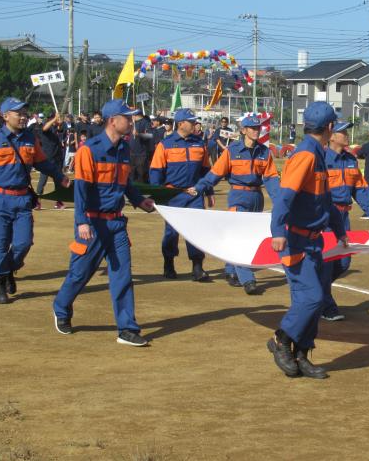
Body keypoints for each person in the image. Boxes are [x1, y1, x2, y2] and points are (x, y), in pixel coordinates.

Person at [53, 99, 155, 346]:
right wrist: (82, 222)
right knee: (80, 274)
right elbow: (81, 189)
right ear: (113, 121)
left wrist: (139, 200)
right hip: (93, 223)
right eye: (127, 118)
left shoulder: (123, 148)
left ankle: (127, 329)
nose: (131, 122)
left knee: (122, 276)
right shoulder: (91, 149)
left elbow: (126, 183)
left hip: (117, 224)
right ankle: (61, 307)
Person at [268, 101, 347, 380]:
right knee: (312, 299)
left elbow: (326, 202)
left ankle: (301, 354)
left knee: (313, 301)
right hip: (297, 241)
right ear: (330, 127)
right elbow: (284, 196)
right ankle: (280, 339)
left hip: (315, 242)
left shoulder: (319, 154)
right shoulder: (305, 155)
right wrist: (277, 231)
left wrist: (339, 231)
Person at [0, 97, 69, 304]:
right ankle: (0, 283)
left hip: (22, 200)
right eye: (18, 113)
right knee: (0, 244)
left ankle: (8, 268)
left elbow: (42, 163)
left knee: (24, 243)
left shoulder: (30, 139)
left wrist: (59, 176)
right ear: (5, 115)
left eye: (24, 113)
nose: (23, 117)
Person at [195, 114, 280, 295]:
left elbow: (271, 178)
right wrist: (199, 188)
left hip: (257, 197)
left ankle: (230, 270)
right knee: (240, 237)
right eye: (253, 128)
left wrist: (280, 201)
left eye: (258, 128)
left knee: (251, 238)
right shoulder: (232, 150)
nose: (257, 131)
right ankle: (248, 279)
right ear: (243, 131)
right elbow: (215, 174)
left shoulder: (265, 152)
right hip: (238, 196)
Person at [322, 121, 369, 321]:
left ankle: (317, 291)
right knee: (327, 261)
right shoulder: (321, 158)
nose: (346, 135)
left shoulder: (351, 160)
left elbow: (360, 188)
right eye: (342, 132)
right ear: (331, 136)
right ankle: (326, 306)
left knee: (344, 262)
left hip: (344, 217)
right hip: (325, 218)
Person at [149, 108, 214, 281]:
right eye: (191, 121)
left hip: (194, 194)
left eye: (195, 121)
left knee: (196, 230)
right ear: (180, 123)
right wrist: (158, 195)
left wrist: (209, 191)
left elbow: (206, 170)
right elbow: (156, 171)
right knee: (171, 232)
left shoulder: (200, 143)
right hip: (172, 195)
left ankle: (197, 267)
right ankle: (169, 264)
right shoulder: (165, 144)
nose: (195, 124)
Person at [35, 112, 66, 209]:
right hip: (47, 159)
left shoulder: (58, 128)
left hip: (57, 158)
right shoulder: (45, 127)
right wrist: (54, 119)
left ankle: (59, 201)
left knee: (58, 181)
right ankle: (37, 201)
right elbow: (45, 128)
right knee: (42, 181)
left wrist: (59, 122)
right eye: (56, 118)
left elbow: (61, 130)